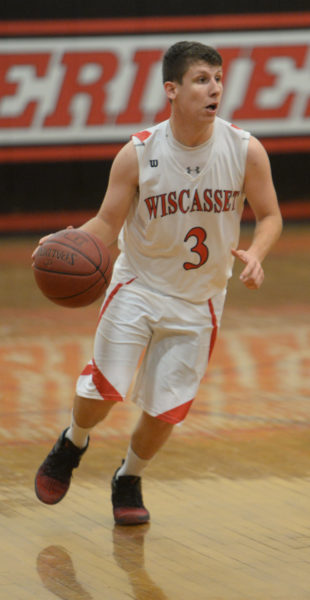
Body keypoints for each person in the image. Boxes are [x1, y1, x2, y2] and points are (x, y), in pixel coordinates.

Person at [34, 41, 282, 525]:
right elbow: (107, 224)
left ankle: (128, 477)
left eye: (217, 78)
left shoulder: (244, 149)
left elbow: (270, 215)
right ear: (172, 89)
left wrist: (256, 252)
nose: (215, 88)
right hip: (139, 286)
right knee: (103, 390)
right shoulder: (139, 153)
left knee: (166, 412)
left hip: (201, 300)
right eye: (201, 79)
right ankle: (73, 442)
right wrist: (62, 242)